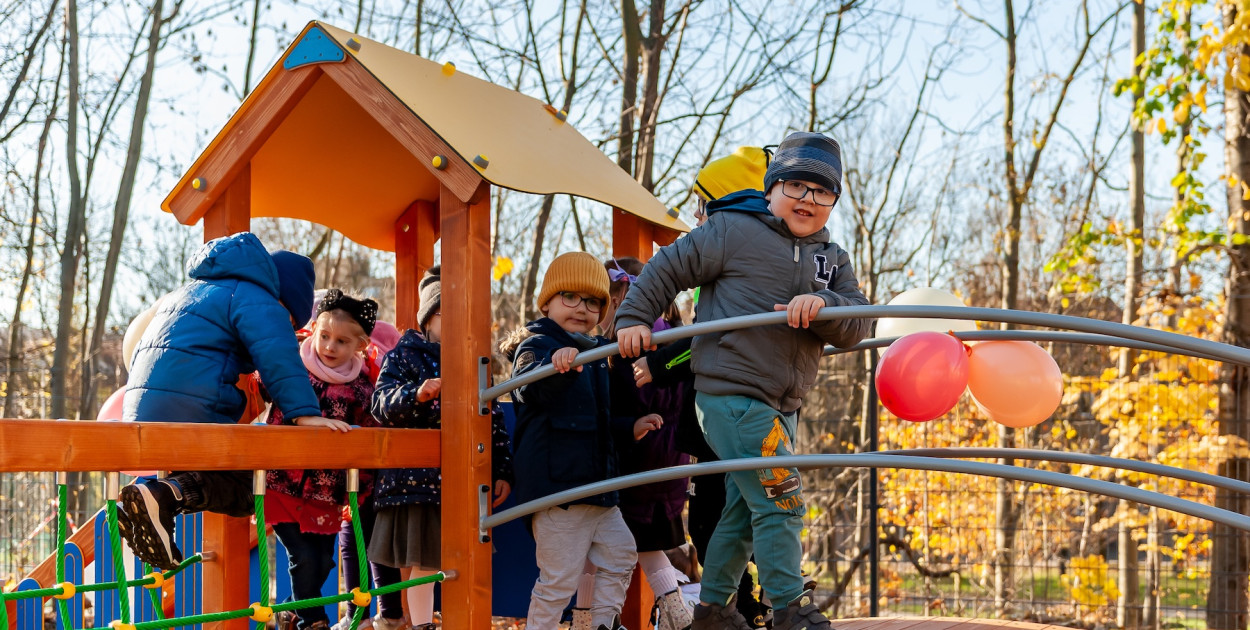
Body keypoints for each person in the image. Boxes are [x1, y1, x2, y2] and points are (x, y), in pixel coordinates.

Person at [615, 132, 872, 630]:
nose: (807, 199)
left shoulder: (831, 258)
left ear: (834, 201)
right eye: (795, 186)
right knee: (782, 497)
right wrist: (633, 318)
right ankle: (790, 607)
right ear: (771, 188)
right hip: (730, 394)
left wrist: (824, 305)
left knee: (741, 509)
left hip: (783, 404)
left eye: (822, 192)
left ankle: (712, 609)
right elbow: (668, 266)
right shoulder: (732, 230)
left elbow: (858, 322)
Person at [118, 232, 336, 571]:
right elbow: (278, 356)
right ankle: (164, 496)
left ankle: (149, 502)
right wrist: (304, 413)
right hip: (193, 410)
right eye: (291, 322)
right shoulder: (260, 298)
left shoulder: (193, 291)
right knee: (256, 483)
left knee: (202, 470)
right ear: (286, 302)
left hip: (139, 411)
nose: (287, 328)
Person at [637, 146, 774, 628]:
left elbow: (709, 338)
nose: (696, 217)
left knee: (721, 514)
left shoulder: (734, 262)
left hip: (728, 414)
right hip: (735, 414)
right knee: (735, 510)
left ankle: (741, 604)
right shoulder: (745, 260)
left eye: (703, 206)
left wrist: (659, 363)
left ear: (728, 206)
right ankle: (746, 602)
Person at [503, 252, 659, 630]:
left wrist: (629, 427)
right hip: (560, 492)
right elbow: (527, 391)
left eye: (592, 302)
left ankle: (602, 623)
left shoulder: (595, 353)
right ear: (547, 303)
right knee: (559, 579)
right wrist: (556, 367)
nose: (582, 308)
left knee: (622, 556)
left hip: (598, 488)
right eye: (570, 297)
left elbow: (597, 421)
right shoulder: (536, 345)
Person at [369, 266, 515, 630]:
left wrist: (501, 469)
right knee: (422, 562)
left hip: (460, 480)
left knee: (457, 559)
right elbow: (381, 405)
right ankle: (421, 624)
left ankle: (450, 621)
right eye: (448, 314)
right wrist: (415, 394)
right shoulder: (404, 355)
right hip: (413, 483)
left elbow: (492, 419)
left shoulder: (475, 363)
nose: (458, 323)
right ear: (428, 319)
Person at [265, 290, 382, 630]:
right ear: (314, 329)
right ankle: (313, 622)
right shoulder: (293, 371)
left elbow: (368, 437)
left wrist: (362, 486)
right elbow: (264, 383)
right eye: (325, 336)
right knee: (302, 557)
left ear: (360, 345)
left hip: (326, 494)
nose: (330, 347)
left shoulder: (362, 388)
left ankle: (289, 610)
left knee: (323, 562)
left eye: (342, 341)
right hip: (283, 484)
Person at [590, 256, 693, 630]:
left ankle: (600, 619)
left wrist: (628, 429)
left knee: (613, 547)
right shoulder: (675, 341)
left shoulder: (624, 349)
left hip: (638, 462)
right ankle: (670, 612)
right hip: (669, 461)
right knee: (641, 546)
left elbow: (616, 407)